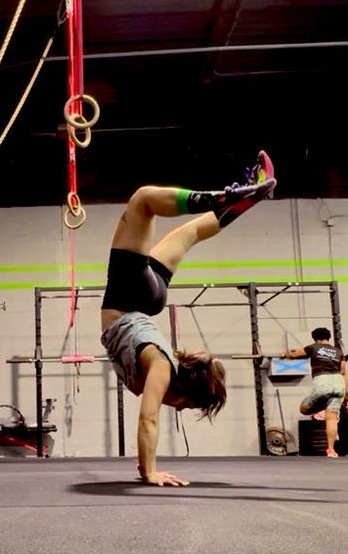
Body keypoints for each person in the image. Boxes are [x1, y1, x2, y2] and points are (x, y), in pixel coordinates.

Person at [100, 150, 276, 487]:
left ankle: (251, 197)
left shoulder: (161, 363)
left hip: (144, 299)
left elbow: (149, 418)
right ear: (184, 392)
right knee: (143, 200)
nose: (178, 409)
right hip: (129, 299)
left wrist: (145, 465)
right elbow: (148, 419)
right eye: (185, 406)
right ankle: (222, 197)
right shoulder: (162, 367)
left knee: (191, 232)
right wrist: (149, 472)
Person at [283, 328, 346, 458]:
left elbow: (295, 354)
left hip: (323, 381)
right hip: (338, 383)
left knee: (304, 409)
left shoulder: (313, 347)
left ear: (314, 338)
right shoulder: (339, 351)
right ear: (328, 337)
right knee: (332, 418)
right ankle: (331, 450)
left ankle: (323, 404)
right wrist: (345, 390)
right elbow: (343, 371)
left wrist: (285, 355)